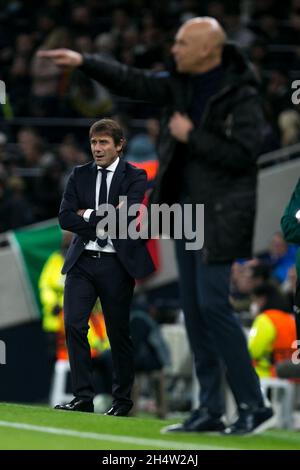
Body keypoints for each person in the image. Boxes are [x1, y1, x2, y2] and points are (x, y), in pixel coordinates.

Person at [38, 17, 274, 434]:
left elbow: (244, 155)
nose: (175, 48)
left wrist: (192, 135)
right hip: (183, 210)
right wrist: (84, 61)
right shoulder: (180, 84)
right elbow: (135, 81)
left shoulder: (242, 95)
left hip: (217, 214)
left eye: (183, 42)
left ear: (208, 50)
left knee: (214, 306)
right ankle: (211, 409)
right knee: (196, 311)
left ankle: (253, 405)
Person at [54, 118, 155, 415]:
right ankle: (83, 397)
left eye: (103, 143)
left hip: (116, 263)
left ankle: (122, 401)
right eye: (94, 143)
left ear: (119, 145)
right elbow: (64, 218)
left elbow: (126, 216)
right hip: (82, 261)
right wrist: (103, 216)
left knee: (118, 333)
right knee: (73, 324)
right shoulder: (79, 174)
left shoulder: (135, 176)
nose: (97, 149)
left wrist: (86, 215)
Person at [248, 283, 296, 378]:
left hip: (267, 376)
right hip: (291, 377)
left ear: (262, 299)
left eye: (255, 301)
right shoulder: (291, 319)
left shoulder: (264, 319)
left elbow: (253, 351)